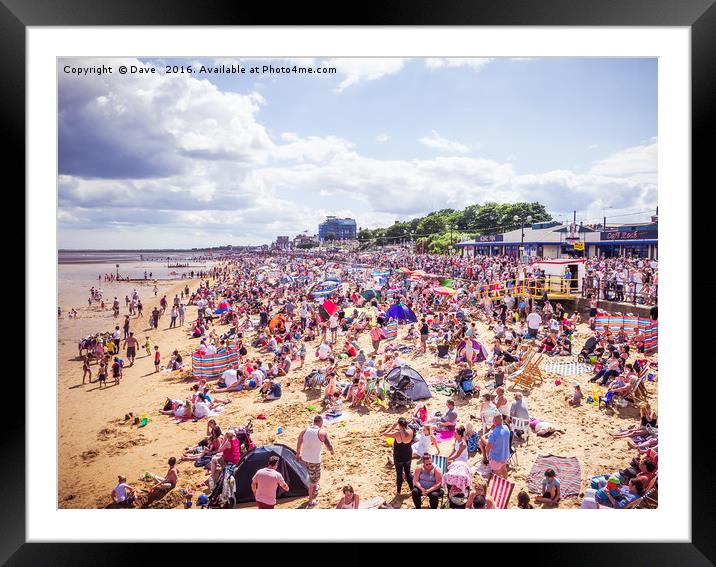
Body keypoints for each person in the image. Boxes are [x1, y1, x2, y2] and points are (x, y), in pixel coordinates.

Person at [296, 415, 335, 508]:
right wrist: (332, 452)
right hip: (314, 460)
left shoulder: (304, 431)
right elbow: (329, 445)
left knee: (311, 475)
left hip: (304, 458)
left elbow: (299, 442)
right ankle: (311, 501)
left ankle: (313, 486)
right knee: (314, 481)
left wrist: (297, 454)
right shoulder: (321, 433)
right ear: (321, 423)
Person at [383, 418, 415, 495]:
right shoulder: (411, 431)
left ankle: (398, 492)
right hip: (407, 455)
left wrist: (392, 427)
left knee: (399, 474)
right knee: (408, 473)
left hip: (398, 456)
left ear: (400, 425)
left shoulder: (397, 434)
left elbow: (385, 434)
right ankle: (412, 490)